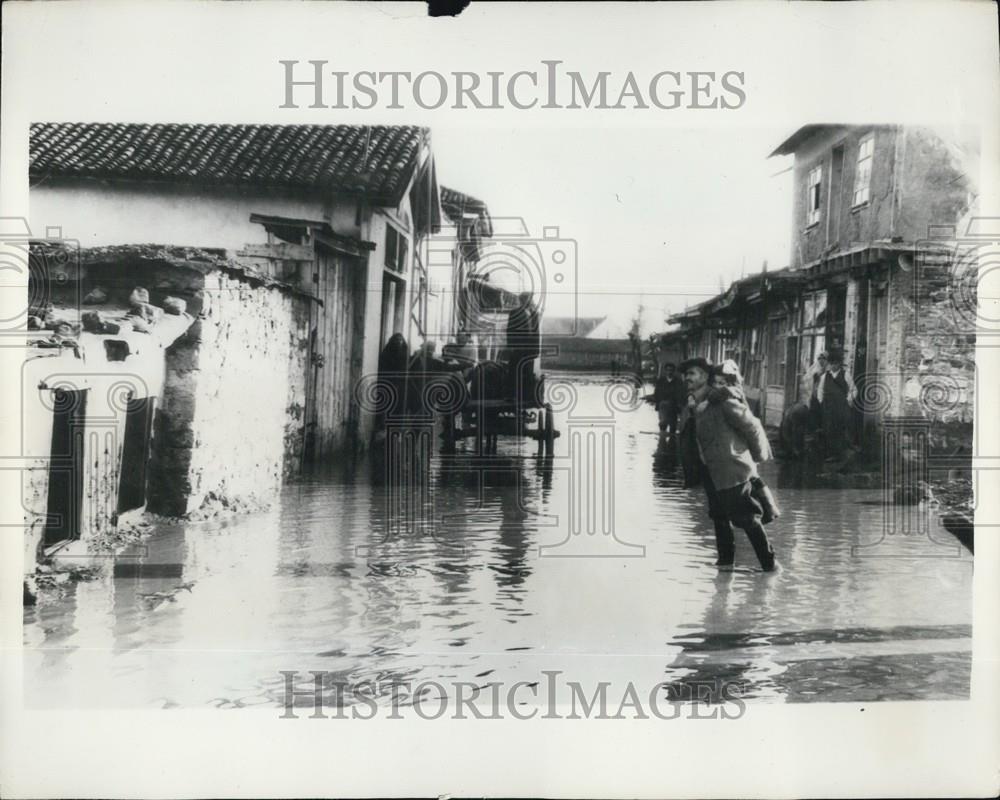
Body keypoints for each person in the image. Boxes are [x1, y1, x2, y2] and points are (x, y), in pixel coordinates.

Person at [678, 357, 777, 572]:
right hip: (709, 469)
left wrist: (756, 458)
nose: (687, 378)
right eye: (685, 374)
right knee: (719, 516)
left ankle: (770, 567)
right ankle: (725, 566)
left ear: (705, 377)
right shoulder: (693, 403)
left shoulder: (722, 401)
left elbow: (752, 426)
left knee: (746, 518)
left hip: (732, 468)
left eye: (692, 373)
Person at [710, 362, 780, 525]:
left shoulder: (729, 394)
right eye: (716, 382)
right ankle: (769, 508)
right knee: (753, 476)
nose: (719, 386)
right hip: (742, 438)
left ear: (731, 383)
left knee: (750, 475)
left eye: (723, 383)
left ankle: (767, 509)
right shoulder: (735, 392)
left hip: (742, 440)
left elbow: (748, 424)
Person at [818, 349, 852, 461]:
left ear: (839, 364)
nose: (833, 366)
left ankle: (839, 453)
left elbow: (853, 389)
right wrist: (821, 401)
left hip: (840, 406)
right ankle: (830, 453)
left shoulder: (845, 375)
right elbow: (820, 390)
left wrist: (848, 400)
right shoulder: (825, 376)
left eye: (835, 363)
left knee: (839, 429)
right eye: (831, 363)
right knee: (828, 428)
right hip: (828, 406)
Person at [652, 362, 686, 436]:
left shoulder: (678, 381)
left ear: (674, 371)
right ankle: (662, 442)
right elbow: (657, 393)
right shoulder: (661, 381)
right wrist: (657, 403)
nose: (669, 372)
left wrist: (679, 405)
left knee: (673, 425)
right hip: (663, 405)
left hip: (674, 406)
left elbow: (681, 394)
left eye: (671, 370)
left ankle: (672, 443)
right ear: (665, 371)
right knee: (663, 423)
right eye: (668, 370)